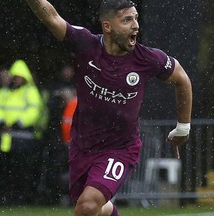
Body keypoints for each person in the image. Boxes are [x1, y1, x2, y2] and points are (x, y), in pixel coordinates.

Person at [25, 0, 192, 215]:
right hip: (82, 146)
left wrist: (183, 126)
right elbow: (51, 17)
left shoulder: (147, 58)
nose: (135, 25)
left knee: (86, 206)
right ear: (107, 26)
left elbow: (182, 79)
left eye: (136, 18)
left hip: (120, 149)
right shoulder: (86, 44)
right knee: (94, 208)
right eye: (127, 20)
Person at [0, 60, 44, 205]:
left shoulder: (30, 91)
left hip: (23, 139)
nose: (16, 79)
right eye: (15, 76)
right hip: (6, 139)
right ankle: (7, 198)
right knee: (6, 170)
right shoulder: (4, 91)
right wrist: (0, 121)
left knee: (22, 171)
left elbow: (34, 110)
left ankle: (21, 198)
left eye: (19, 76)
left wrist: (17, 122)